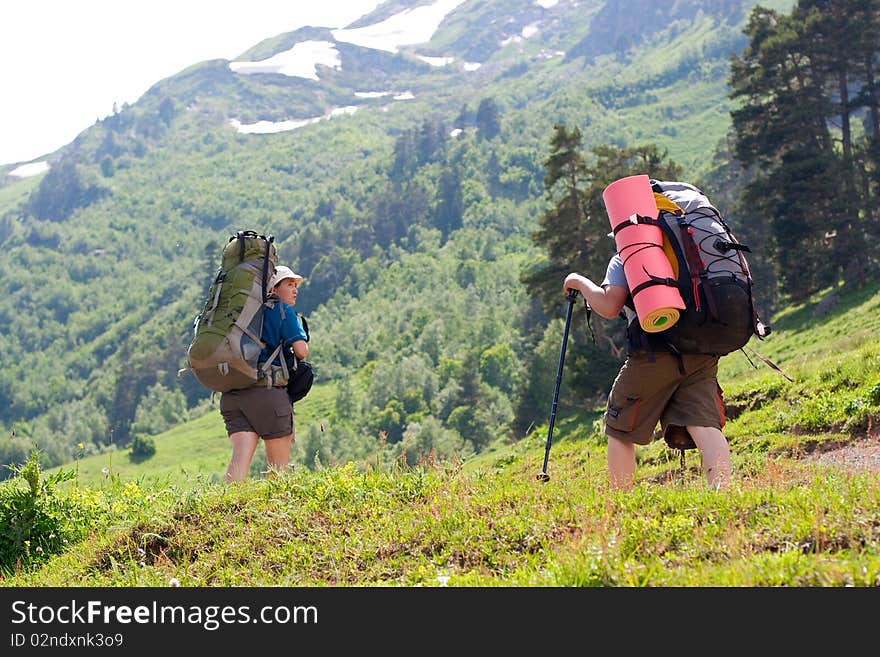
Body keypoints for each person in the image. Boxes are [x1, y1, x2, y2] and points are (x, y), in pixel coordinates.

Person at [563, 253, 731, 491]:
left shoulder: (629, 251)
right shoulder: (689, 243)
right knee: (702, 422)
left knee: (619, 424)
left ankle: (621, 499)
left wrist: (578, 281)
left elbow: (609, 305)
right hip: (703, 350)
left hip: (655, 351)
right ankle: (723, 492)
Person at [220, 265, 309, 483]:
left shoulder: (241, 313)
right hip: (267, 394)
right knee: (278, 472)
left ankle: (228, 510)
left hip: (233, 395)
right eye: (289, 284)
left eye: (295, 285)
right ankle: (274, 514)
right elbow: (301, 351)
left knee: (238, 463)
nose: (295, 289)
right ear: (274, 289)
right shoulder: (282, 311)